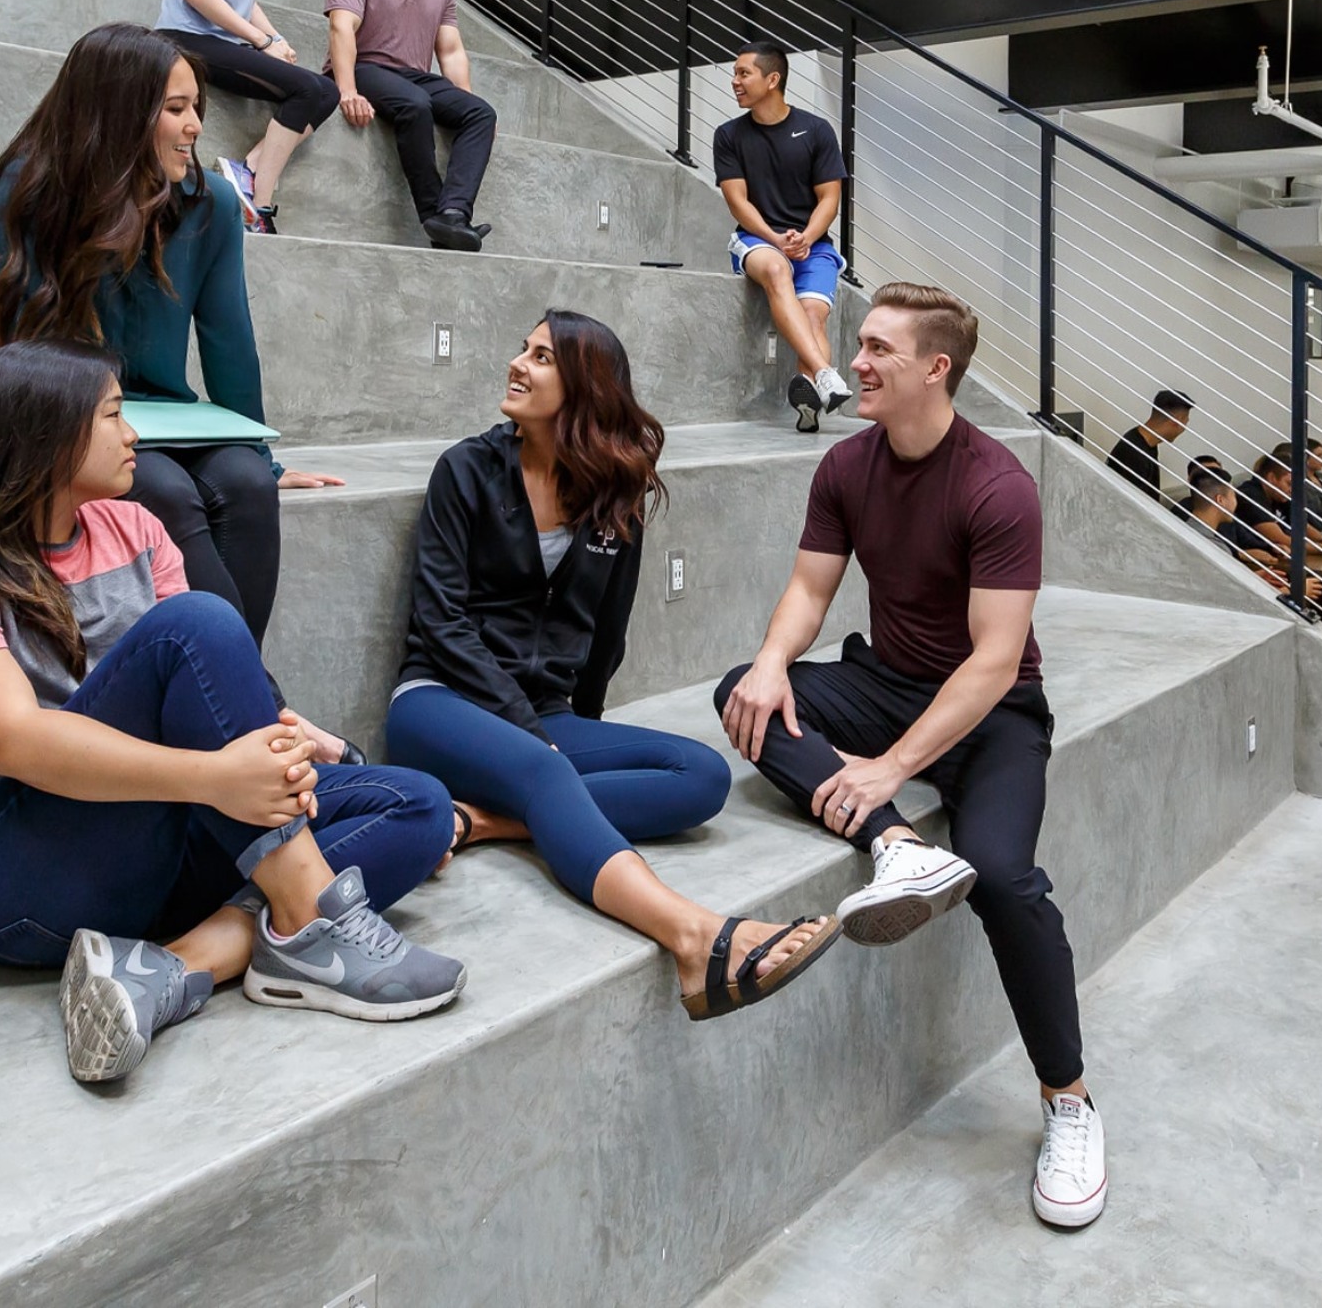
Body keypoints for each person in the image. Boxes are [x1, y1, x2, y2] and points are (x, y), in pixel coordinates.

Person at [0, 341, 466, 1084]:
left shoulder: (137, 531)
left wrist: (307, 755)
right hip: (5, 875)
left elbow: (213, 704)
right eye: (116, 415)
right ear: (46, 433)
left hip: (155, 832)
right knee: (200, 623)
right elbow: (14, 740)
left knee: (418, 805)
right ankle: (309, 924)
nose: (136, 438)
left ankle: (173, 965)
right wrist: (216, 778)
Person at [713, 282, 1106, 1228]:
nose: (856, 362)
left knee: (1007, 878)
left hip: (994, 709)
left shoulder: (997, 486)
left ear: (937, 368)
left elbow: (995, 658)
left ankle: (1069, 1102)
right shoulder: (848, 466)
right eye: (860, 344)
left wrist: (889, 765)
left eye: (878, 349)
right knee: (743, 693)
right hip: (885, 679)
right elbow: (811, 591)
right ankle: (896, 847)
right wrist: (772, 664)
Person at [386, 310, 838, 1020]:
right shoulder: (467, 470)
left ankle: (481, 820)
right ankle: (697, 937)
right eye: (522, 347)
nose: (517, 363)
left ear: (583, 389)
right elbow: (440, 623)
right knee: (547, 769)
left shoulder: (613, 495)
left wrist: (571, 730)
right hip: (441, 701)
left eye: (540, 357)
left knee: (703, 775)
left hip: (546, 716)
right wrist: (544, 745)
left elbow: (606, 636)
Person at [0, 24, 354, 754]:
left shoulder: (212, 206)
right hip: (76, 418)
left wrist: (263, 455)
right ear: (117, 111)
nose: (195, 125)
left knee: (243, 483)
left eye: (196, 106)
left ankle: (233, 708)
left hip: (172, 413)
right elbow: (4, 346)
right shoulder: (32, 190)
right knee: (165, 490)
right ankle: (267, 718)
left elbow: (230, 341)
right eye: (174, 108)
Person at [714, 40, 851, 433]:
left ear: (772, 79)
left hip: (813, 245)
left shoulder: (816, 130)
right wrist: (776, 239)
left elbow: (829, 199)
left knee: (814, 318)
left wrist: (807, 237)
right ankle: (825, 374)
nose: (735, 82)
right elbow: (738, 202)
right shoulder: (728, 135)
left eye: (744, 73)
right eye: (735, 74)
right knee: (776, 269)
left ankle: (808, 397)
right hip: (758, 242)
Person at [154, 0, 339, 233]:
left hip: (224, 42)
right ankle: (258, 209)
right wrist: (261, 41)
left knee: (327, 91)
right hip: (186, 36)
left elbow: (245, 2)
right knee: (305, 89)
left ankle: (248, 169)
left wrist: (276, 38)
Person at [325, 0, 496, 252]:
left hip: (414, 77)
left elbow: (451, 51)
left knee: (481, 113)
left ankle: (453, 214)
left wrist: (465, 103)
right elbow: (341, 27)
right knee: (416, 104)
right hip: (365, 65)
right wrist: (347, 90)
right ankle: (434, 214)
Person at [1184, 463, 1322, 601]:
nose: (1236, 501)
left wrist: (1253, 577)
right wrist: (1294, 591)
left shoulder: (1186, 531)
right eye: (1233, 495)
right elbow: (1235, 599)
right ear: (1220, 500)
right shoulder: (1212, 546)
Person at [1103, 390, 1191, 502]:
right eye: (1185, 421)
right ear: (1175, 421)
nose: (1184, 428)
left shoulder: (1144, 443)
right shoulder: (1135, 454)